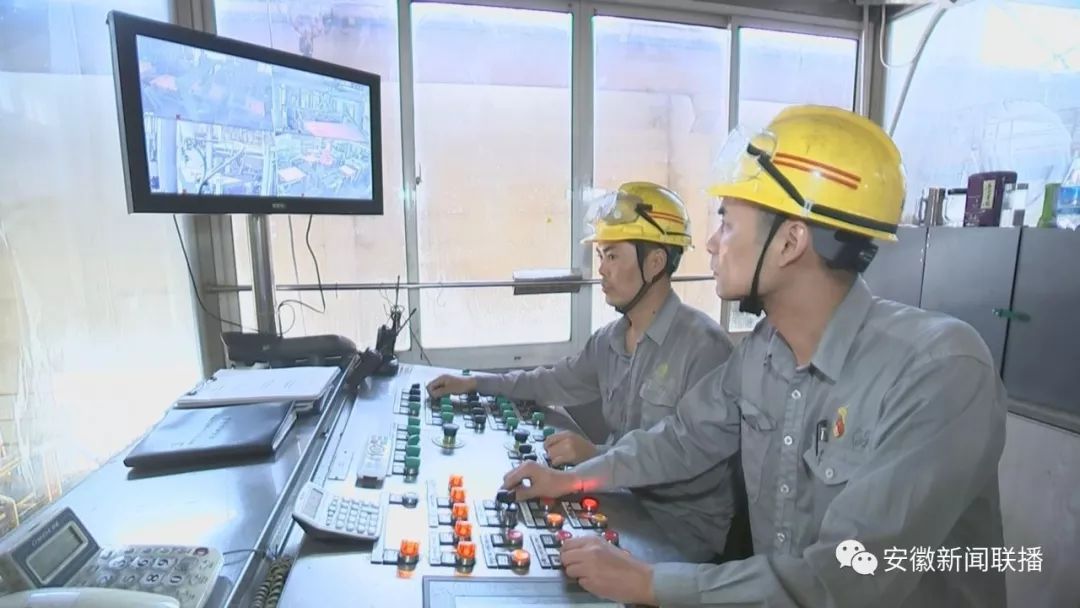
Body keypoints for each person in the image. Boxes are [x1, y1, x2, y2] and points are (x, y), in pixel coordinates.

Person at [502, 106, 1007, 607]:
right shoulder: (763, 351)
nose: (711, 243)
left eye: (726, 223)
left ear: (790, 241)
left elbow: (845, 576)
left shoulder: (939, 370)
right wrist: (573, 479)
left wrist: (649, 583)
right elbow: (681, 439)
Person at [428, 181, 739, 562]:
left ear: (655, 263)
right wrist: (477, 382)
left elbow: (684, 455)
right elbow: (550, 382)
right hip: (618, 499)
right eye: (601, 255)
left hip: (679, 534)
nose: (601, 269)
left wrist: (592, 458)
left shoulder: (705, 348)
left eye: (613, 256)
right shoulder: (610, 339)